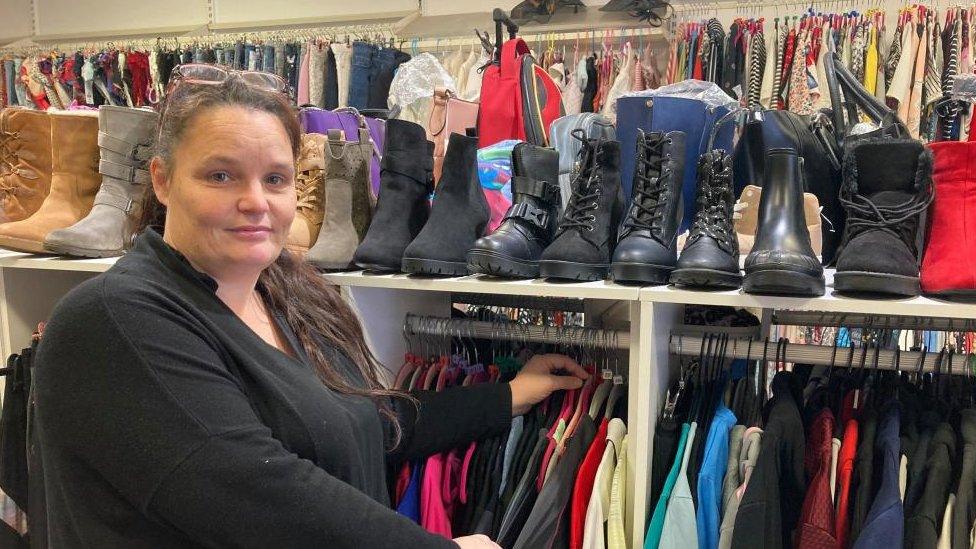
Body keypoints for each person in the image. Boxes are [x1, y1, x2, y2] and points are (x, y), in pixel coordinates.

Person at [32, 65, 588, 548]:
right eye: (220, 175)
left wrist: (508, 396)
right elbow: (255, 493)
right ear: (162, 180)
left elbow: (362, 426)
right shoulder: (113, 320)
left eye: (275, 179)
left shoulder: (283, 296)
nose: (255, 202)